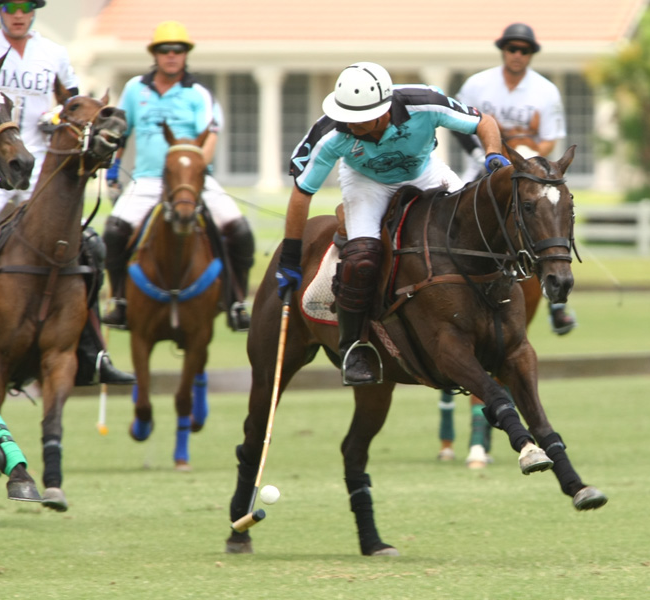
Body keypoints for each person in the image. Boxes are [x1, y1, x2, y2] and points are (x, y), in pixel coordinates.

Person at [277, 61, 509, 385]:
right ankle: (354, 348)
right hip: (366, 183)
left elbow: (483, 122)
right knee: (360, 260)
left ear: (383, 109)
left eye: (358, 119)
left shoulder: (425, 103)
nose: (350, 125)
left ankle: (498, 314)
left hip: (424, 172)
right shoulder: (331, 132)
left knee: (473, 231)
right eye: (346, 117)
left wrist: (493, 154)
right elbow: (302, 193)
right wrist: (289, 258)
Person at [438, 23, 577, 466]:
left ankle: (557, 301)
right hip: (486, 168)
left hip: (530, 171)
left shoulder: (545, 91)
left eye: (524, 50)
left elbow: (551, 139)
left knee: (552, 219)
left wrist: (528, 160)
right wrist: (491, 153)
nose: (517, 55)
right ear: (503, 51)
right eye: (511, 48)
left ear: (531, 54)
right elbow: (463, 126)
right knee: (446, 214)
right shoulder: (477, 83)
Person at [0, 0, 133, 386]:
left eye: (25, 7)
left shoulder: (53, 53)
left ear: (34, 11)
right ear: (1, 11)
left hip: (44, 165)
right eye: (10, 7)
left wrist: (54, 118)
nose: (18, 14)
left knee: (90, 248)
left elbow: (73, 107)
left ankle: (92, 350)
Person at [102, 21, 255, 333]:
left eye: (178, 50)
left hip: (192, 179)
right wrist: (114, 170)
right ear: (155, 54)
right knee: (114, 232)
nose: (171, 55)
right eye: (164, 50)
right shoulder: (135, 89)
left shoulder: (198, 94)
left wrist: (194, 172)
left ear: (186, 55)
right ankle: (118, 299)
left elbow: (210, 136)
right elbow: (121, 134)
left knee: (240, 231)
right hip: (146, 179)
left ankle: (237, 301)